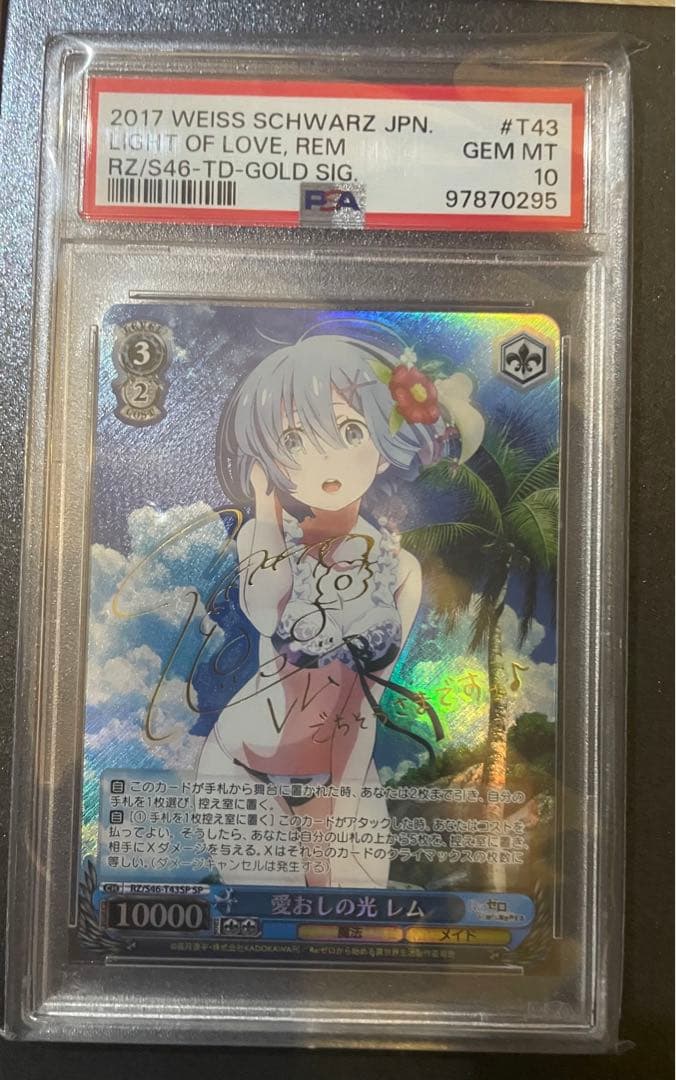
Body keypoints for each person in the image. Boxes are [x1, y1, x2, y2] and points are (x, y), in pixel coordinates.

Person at [196, 324, 483, 888]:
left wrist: (337, 807)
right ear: (268, 459)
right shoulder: (263, 537)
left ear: (386, 447)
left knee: (354, 913)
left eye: (351, 431)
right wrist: (265, 509)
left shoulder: (401, 569)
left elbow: (369, 695)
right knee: (269, 919)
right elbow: (265, 610)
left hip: (345, 767)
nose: (325, 459)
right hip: (243, 767)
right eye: (293, 441)